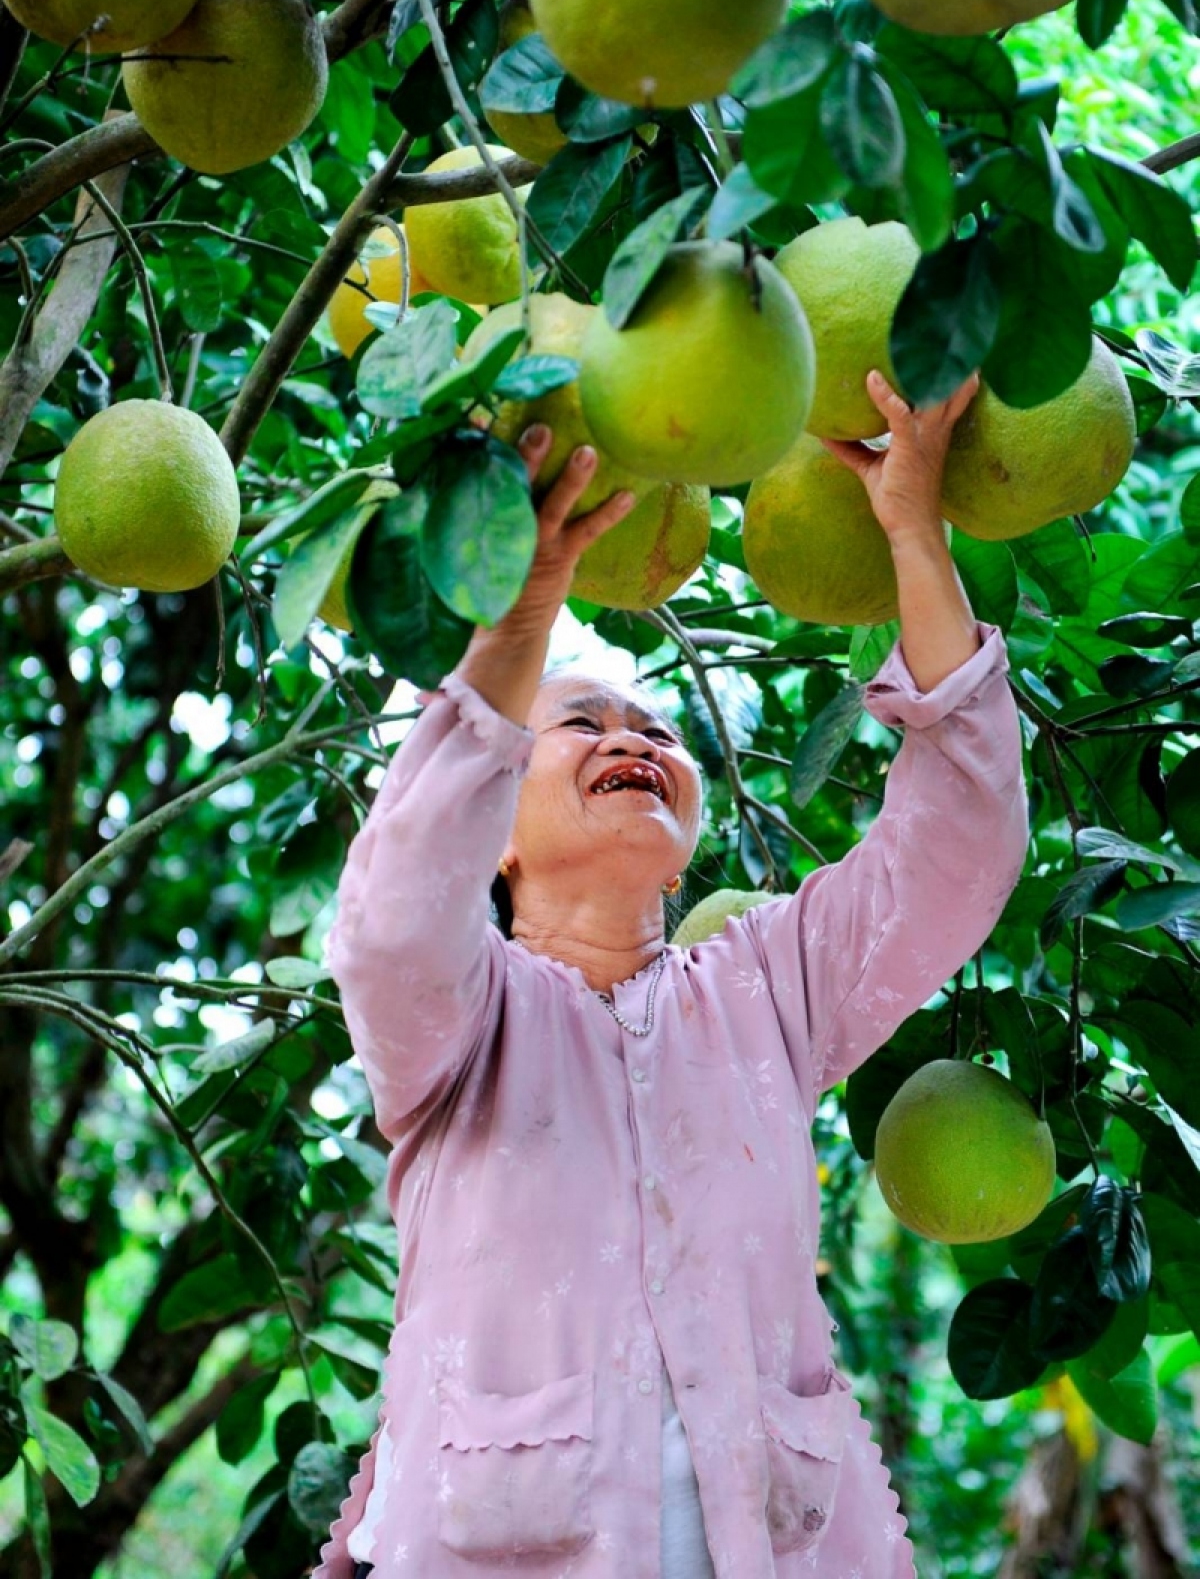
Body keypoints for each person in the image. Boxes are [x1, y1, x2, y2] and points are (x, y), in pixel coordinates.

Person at [313, 368, 1029, 1579]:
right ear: (494, 818)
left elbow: (962, 841)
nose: (636, 739)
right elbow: (393, 913)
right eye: (584, 722)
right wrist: (524, 610)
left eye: (656, 729)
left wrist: (913, 526)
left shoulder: (766, 993)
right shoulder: (459, 1022)